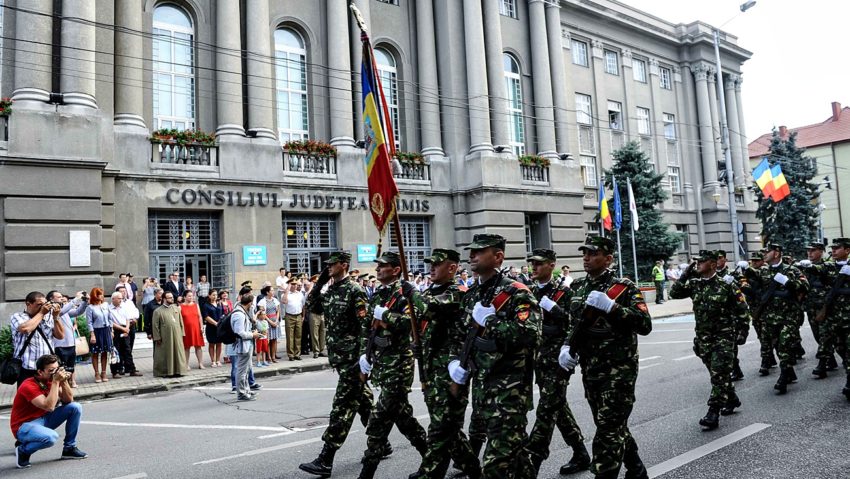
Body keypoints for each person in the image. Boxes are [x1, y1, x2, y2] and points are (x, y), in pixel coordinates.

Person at [558, 235, 652, 479]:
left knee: (608, 431)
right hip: (591, 369)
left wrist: (613, 308)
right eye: (584, 253)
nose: (586, 258)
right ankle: (637, 469)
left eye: (592, 253)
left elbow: (644, 324)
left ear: (608, 258)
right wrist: (567, 347)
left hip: (618, 370)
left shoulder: (624, 288)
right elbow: (574, 325)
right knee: (609, 425)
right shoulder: (577, 287)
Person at [448, 234, 540, 478]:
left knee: (494, 465)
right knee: (517, 456)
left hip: (509, 391)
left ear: (498, 256)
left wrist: (490, 320)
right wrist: (454, 363)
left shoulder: (516, 293)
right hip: (482, 389)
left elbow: (529, 335)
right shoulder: (471, 294)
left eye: (479, 251)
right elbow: (459, 337)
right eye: (472, 251)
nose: (472, 256)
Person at [299, 250, 379, 477]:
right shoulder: (330, 289)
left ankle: (326, 458)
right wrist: (320, 282)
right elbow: (311, 306)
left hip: (353, 361)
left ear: (344, 265)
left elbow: (366, 326)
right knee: (364, 403)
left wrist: (365, 358)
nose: (328, 268)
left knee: (341, 408)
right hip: (339, 358)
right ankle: (380, 442)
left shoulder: (355, 290)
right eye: (327, 265)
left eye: (332, 265)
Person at [409, 249, 481, 479]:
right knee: (448, 428)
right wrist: (417, 343)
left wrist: (411, 293)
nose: (431, 268)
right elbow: (424, 324)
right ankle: (475, 471)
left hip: (450, 371)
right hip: (431, 369)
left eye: (437, 264)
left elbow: (430, 308)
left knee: (441, 428)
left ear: (451, 268)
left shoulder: (457, 293)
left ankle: (429, 474)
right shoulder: (430, 291)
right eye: (430, 264)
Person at [356, 251, 428, 479]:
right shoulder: (378, 294)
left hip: (399, 363)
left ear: (396, 270)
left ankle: (367, 473)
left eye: (383, 266)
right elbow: (368, 327)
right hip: (381, 362)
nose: (377, 270)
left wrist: (387, 315)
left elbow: (413, 323)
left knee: (378, 419)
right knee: (403, 418)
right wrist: (364, 356)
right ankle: (433, 458)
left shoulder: (404, 293)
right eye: (377, 266)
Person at [524, 248, 589, 475]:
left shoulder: (565, 293)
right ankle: (580, 452)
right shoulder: (529, 291)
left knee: (547, 409)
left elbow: (578, 323)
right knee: (557, 407)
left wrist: (557, 310)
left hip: (558, 361)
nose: (534, 267)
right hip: (537, 360)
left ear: (552, 265)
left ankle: (533, 463)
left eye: (539, 263)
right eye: (532, 263)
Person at [669, 250, 749, 430]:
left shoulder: (727, 285)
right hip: (703, 339)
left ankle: (713, 411)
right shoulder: (695, 284)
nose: (697, 264)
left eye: (701, 261)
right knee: (716, 374)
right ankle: (732, 398)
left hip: (723, 337)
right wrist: (685, 274)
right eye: (696, 261)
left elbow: (742, 309)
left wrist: (743, 331)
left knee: (719, 374)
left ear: (712, 264)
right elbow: (674, 293)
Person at [742, 243, 808, 394]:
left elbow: (805, 287)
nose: (764, 253)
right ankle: (789, 371)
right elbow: (751, 280)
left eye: (768, 251)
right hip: (770, 317)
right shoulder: (763, 271)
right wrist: (744, 270)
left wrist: (788, 282)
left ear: (777, 253)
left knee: (784, 346)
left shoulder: (791, 270)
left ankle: (783, 377)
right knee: (777, 346)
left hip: (788, 316)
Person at [10, 354, 87, 468]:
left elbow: (69, 400)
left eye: (57, 369)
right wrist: (56, 382)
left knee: (75, 407)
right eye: (51, 370)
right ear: (40, 372)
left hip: (44, 419)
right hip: (24, 426)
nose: (55, 373)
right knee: (51, 438)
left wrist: (64, 381)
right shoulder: (28, 385)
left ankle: (69, 448)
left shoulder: (51, 379)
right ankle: (23, 450)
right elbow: (49, 406)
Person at [799, 242, 839, 378]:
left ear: (821, 251)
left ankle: (822, 363)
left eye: (813, 250)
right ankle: (830, 358)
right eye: (808, 250)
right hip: (811, 307)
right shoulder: (803, 268)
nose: (810, 253)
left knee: (824, 335)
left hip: (825, 308)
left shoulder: (828, 266)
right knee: (817, 334)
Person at [10, 292, 66, 387]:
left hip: (48, 369)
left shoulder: (48, 317)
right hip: (27, 368)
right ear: (28, 304)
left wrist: (56, 317)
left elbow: (60, 336)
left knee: (52, 397)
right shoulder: (18, 316)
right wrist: (41, 313)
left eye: (44, 304)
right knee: (29, 399)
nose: (43, 307)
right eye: (39, 304)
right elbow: (25, 329)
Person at [819, 237, 850, 400]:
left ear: (847, 250)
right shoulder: (828, 268)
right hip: (834, 319)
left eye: (838, 248)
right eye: (833, 248)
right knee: (840, 348)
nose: (834, 251)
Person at [48, 291, 87, 388]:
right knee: (61, 369)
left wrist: (85, 301)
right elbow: (60, 313)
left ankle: (69, 384)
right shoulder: (51, 310)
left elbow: (78, 312)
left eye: (61, 296)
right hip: (60, 345)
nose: (61, 298)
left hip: (71, 344)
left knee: (70, 368)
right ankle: (60, 388)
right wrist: (76, 299)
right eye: (58, 297)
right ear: (51, 299)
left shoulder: (64, 309)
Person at [231, 294, 262, 401]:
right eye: (252, 303)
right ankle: (241, 394)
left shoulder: (242, 312)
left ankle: (246, 390)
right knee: (242, 371)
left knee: (246, 370)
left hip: (246, 345)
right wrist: (252, 335)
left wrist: (251, 332)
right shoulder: (239, 314)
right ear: (249, 303)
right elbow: (239, 333)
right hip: (242, 346)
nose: (252, 306)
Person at [151, 292, 188, 378]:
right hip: (165, 336)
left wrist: (182, 333)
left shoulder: (176, 308)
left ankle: (179, 370)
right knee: (166, 354)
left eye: (172, 297)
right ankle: (165, 372)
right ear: (164, 299)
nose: (172, 299)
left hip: (177, 335)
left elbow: (180, 321)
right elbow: (155, 325)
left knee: (178, 352)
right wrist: (157, 337)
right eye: (169, 298)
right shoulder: (158, 311)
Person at [108, 292, 142, 378]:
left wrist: (127, 328)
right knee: (116, 351)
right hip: (116, 330)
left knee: (127, 350)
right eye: (119, 298)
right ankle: (115, 371)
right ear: (113, 299)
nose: (121, 300)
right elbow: (111, 322)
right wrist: (123, 329)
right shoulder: (109, 309)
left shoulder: (123, 307)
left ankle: (131, 369)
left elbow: (127, 318)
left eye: (121, 298)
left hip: (125, 329)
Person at [85, 288, 113, 384]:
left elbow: (110, 318)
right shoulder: (90, 307)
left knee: (105, 352)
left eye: (102, 294)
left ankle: (104, 372)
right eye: (100, 294)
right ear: (95, 296)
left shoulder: (105, 305)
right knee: (95, 353)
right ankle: (96, 373)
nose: (102, 296)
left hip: (106, 330)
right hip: (96, 331)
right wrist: (92, 334)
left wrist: (111, 330)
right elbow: (89, 322)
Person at [180, 291, 206, 370]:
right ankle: (186, 364)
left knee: (198, 347)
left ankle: (200, 363)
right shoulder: (180, 307)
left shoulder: (196, 305)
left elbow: (200, 317)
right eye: (189, 296)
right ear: (184, 297)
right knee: (186, 347)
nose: (191, 298)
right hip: (186, 330)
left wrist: (201, 327)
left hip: (196, 328)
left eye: (192, 296)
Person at [257, 286, 282, 363]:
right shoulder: (262, 301)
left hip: (275, 321)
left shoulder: (275, 300)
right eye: (271, 290)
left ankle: (273, 357)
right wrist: (270, 322)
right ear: (267, 292)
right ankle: (268, 357)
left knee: (274, 340)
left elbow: (278, 311)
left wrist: (276, 320)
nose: (273, 291)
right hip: (266, 322)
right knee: (267, 340)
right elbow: (262, 314)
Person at [283, 281, 306, 360]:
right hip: (289, 316)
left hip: (298, 315)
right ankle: (291, 354)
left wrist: (303, 316)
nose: (295, 286)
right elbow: (284, 301)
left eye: (295, 284)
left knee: (298, 335)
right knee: (290, 336)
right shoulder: (286, 294)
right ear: (290, 285)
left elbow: (303, 306)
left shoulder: (300, 294)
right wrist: (287, 290)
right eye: (292, 284)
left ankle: (297, 354)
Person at [202, 289, 225, 367]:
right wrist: (215, 323)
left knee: (219, 343)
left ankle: (218, 360)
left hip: (219, 327)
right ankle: (213, 361)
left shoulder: (219, 303)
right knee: (212, 344)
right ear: (209, 295)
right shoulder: (206, 305)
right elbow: (206, 317)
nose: (215, 297)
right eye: (213, 295)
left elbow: (222, 313)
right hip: (211, 327)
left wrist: (221, 322)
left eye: (216, 295)